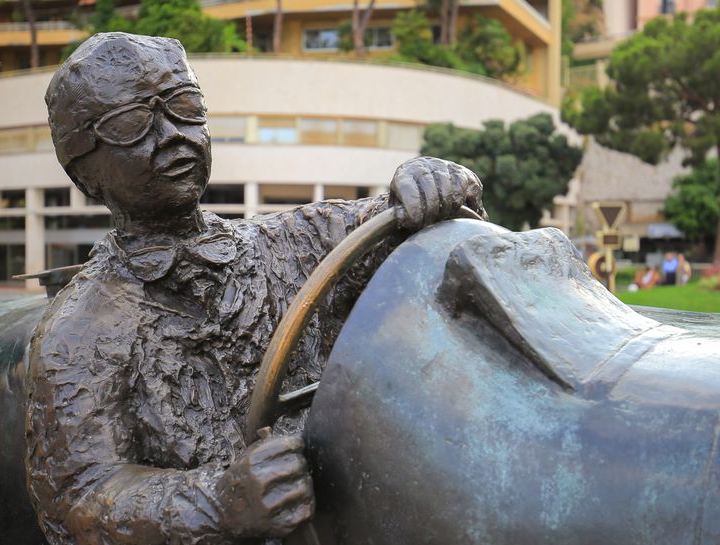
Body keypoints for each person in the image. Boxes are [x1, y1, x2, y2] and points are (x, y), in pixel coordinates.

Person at [25, 32, 485, 545]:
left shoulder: (299, 239)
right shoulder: (76, 333)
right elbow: (78, 498)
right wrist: (218, 503)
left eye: (184, 105)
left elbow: (399, 220)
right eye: (132, 125)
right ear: (83, 174)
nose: (173, 134)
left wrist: (436, 181)